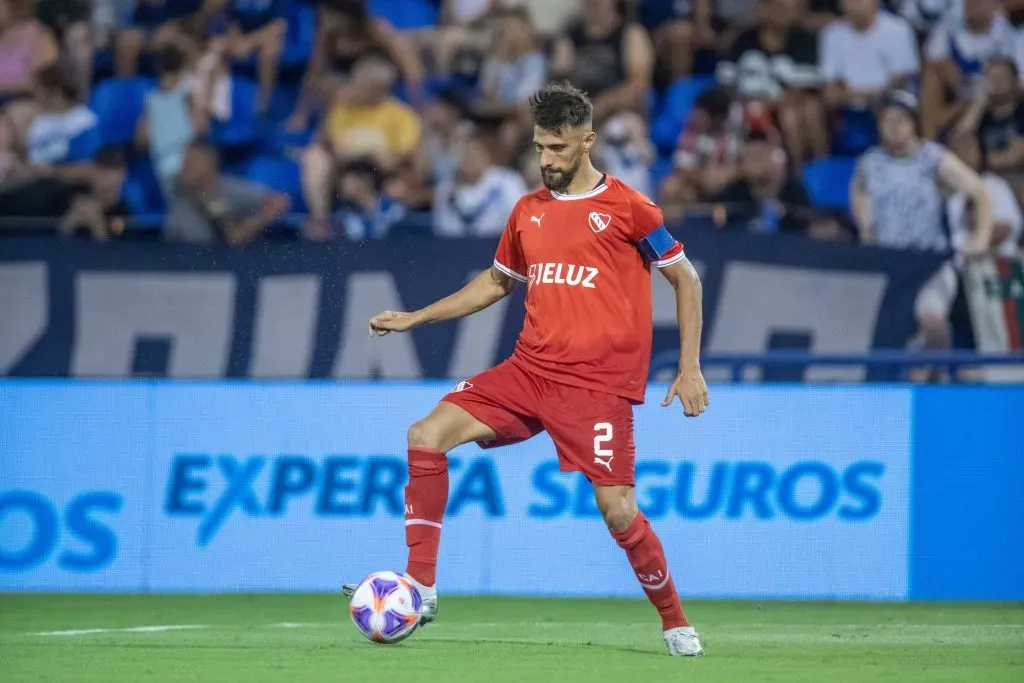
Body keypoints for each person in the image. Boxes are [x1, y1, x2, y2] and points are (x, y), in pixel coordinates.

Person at [342, 81, 709, 657]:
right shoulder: (527, 211)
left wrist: (688, 368)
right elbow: (495, 283)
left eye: (558, 148)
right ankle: (423, 586)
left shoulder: (630, 208)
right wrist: (416, 317)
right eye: (540, 147)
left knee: (617, 511)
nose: (546, 160)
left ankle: (675, 621)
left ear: (587, 142)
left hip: (596, 389)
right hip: (528, 372)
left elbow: (684, 277)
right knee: (425, 436)